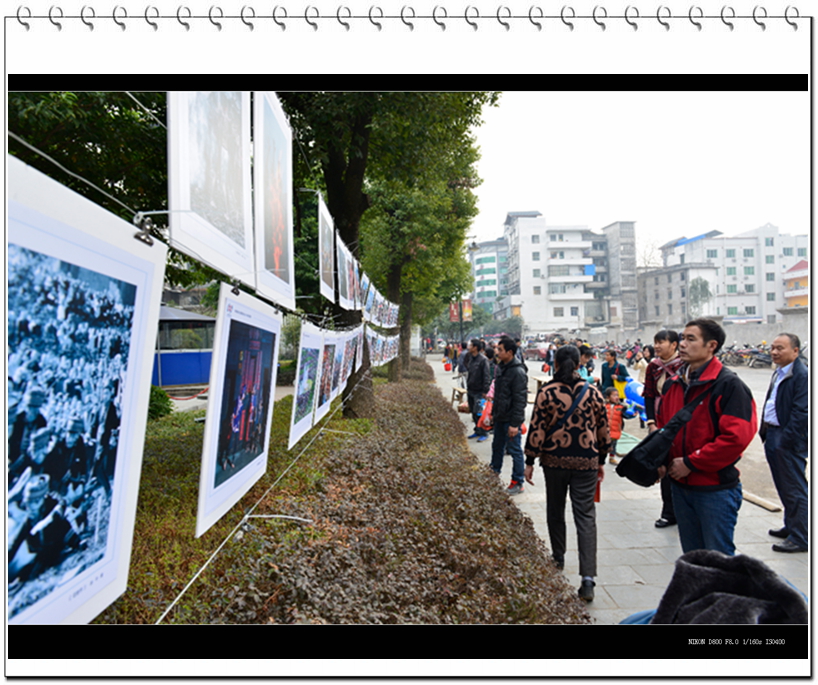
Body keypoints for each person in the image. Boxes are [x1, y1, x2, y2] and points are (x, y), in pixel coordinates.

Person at [657, 319, 757, 557]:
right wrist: (660, 459)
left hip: (715, 490)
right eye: (682, 338)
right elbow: (665, 429)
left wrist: (691, 463)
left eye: (691, 339)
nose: (682, 344)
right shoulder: (674, 384)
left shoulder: (730, 386)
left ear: (711, 346)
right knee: (692, 559)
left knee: (718, 560)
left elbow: (736, 439)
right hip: (680, 487)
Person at [524, 344, 610, 602]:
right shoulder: (593, 392)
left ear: (557, 364)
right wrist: (601, 459)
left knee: (555, 509)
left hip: (554, 461)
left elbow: (537, 427)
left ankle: (558, 557)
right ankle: (588, 579)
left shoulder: (547, 392)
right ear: (579, 363)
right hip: (586, 462)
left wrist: (529, 460)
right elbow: (603, 429)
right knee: (585, 516)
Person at [759, 333, 809, 553]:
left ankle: (802, 537)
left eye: (780, 348)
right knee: (783, 485)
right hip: (773, 434)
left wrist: (785, 440)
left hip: (787, 438)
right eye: (773, 348)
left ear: (795, 351)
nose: (774, 352)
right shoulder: (780, 372)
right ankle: (791, 526)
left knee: (795, 488)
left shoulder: (802, 375)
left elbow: (802, 412)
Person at [644, 330, 684, 529]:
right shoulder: (653, 366)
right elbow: (649, 396)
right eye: (655, 342)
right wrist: (651, 423)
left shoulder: (685, 365)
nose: (657, 346)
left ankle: (684, 510)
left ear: (674, 345)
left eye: (661, 342)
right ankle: (668, 512)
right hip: (660, 422)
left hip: (681, 423)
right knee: (664, 467)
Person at [486, 336, 529, 494]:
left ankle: (518, 481)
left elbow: (520, 400)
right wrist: (493, 413)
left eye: (500, 350)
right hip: (500, 417)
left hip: (511, 420)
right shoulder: (501, 367)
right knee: (497, 447)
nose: (497, 352)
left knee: (515, 450)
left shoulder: (518, 372)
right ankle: (493, 475)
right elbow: (498, 394)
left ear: (510, 352)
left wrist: (515, 424)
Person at [465, 339, 491, 443]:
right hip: (471, 389)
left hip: (479, 391)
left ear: (475, 347)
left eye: (470, 345)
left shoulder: (483, 360)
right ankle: (477, 430)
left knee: (479, 412)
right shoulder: (471, 358)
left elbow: (486, 376)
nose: (469, 347)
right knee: (473, 412)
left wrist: (485, 391)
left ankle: (484, 433)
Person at [604, 387, 627, 465]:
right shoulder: (604, 406)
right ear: (608, 397)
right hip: (604, 429)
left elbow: (626, 416)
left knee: (613, 444)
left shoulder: (621, 407)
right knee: (602, 444)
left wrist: (632, 412)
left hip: (615, 429)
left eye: (617, 395)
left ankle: (612, 457)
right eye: (614, 395)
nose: (616, 397)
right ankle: (600, 458)